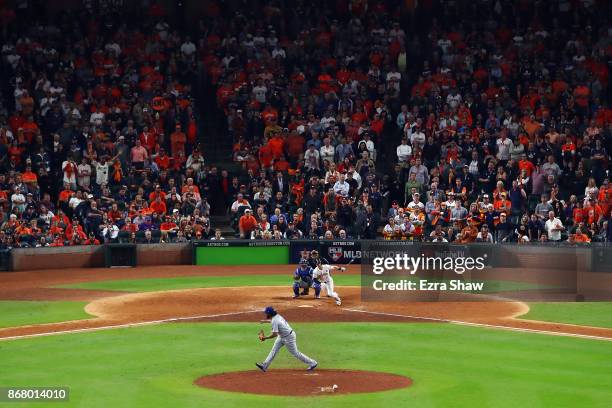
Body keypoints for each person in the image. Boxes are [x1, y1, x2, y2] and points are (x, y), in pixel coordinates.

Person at [255, 306, 318, 372]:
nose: (266, 314)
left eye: (266, 313)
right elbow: (274, 322)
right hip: (282, 336)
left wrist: (265, 338)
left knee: (295, 353)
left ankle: (313, 363)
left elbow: (274, 334)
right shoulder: (277, 316)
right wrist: (265, 321)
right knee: (274, 350)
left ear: (270, 313)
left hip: (289, 338)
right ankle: (264, 366)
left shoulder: (275, 320)